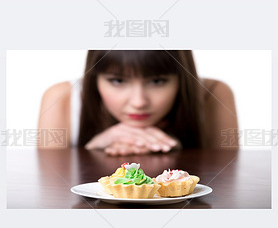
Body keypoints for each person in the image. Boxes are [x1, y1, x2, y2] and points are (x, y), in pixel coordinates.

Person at [38, 50, 238, 155]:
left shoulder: (213, 94)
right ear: (94, 78)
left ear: (182, 78)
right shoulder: (62, 97)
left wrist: (171, 148)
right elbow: (52, 188)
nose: (139, 102)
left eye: (157, 81)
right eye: (117, 81)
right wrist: (93, 148)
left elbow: (226, 179)